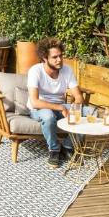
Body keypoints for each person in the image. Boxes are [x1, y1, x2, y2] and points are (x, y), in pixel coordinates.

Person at [27, 38, 86, 168]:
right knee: (48, 116)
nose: (59, 60)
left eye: (60, 56)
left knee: (89, 112)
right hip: (40, 108)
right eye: (55, 57)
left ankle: (67, 146)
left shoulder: (67, 70)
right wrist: (60, 107)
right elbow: (35, 102)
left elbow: (78, 97)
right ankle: (54, 150)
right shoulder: (35, 71)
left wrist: (75, 109)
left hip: (61, 108)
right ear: (44, 58)